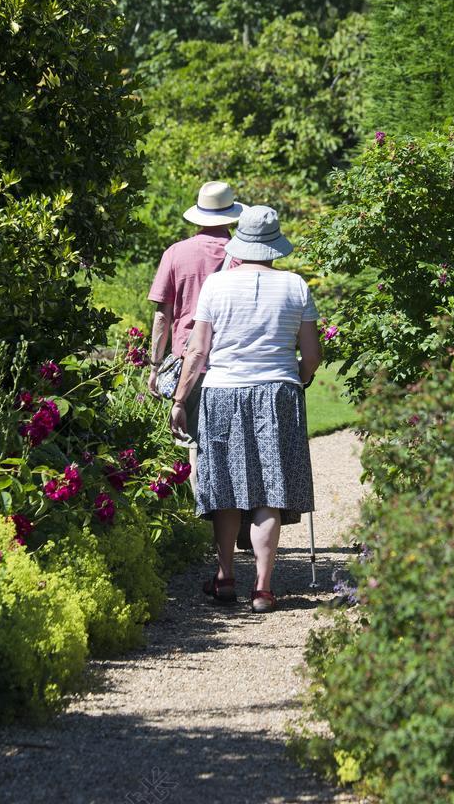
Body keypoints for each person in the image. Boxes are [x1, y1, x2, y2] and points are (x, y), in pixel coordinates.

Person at [169, 205, 322, 613]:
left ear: (241, 241)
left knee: (225, 488)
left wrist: (180, 400)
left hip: (222, 393)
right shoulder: (296, 286)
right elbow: (311, 354)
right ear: (274, 245)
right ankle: (264, 587)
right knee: (269, 489)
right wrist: (299, 379)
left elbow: (198, 350)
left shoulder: (216, 286)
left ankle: (225, 578)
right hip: (277, 393)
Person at [147, 181, 245, 493]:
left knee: (196, 448)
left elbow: (163, 315)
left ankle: (203, 522)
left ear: (197, 216)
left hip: (188, 363)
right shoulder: (244, 258)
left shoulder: (176, 253)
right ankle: (238, 522)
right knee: (233, 445)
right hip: (231, 363)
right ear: (230, 218)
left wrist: (154, 366)